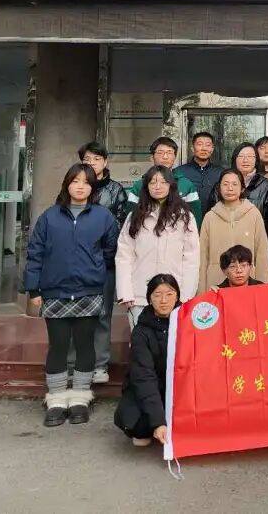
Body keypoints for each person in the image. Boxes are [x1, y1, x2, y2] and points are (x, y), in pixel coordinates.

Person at [24, 163, 119, 427]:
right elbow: (35, 253)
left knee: (85, 345)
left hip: (89, 291)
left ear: (92, 188)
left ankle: (80, 398)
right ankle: (56, 399)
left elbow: (111, 251)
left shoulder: (103, 217)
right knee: (58, 346)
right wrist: (33, 289)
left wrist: (94, 270)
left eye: (86, 182)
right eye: (75, 181)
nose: (80, 186)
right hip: (55, 292)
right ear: (67, 184)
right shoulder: (49, 217)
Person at [116, 166, 199, 328]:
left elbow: (191, 259)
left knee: (173, 341)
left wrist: (186, 295)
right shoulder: (135, 216)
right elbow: (124, 256)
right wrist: (125, 292)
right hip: (140, 295)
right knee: (141, 341)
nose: (158, 186)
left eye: (163, 182)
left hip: (173, 295)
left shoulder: (184, 217)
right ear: (146, 187)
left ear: (171, 186)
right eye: (152, 182)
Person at [78, 141, 127, 385]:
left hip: (104, 261)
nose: (92, 163)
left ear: (105, 162)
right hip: (77, 262)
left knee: (102, 314)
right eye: (87, 159)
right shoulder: (74, 187)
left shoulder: (116, 190)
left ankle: (99, 364)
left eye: (96, 159)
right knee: (76, 314)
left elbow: (120, 226)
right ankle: (78, 363)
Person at [113, 274, 180, 447]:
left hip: (181, 389)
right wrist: (158, 421)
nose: (164, 300)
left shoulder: (188, 322)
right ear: (149, 299)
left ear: (177, 297)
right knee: (137, 421)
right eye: (157, 295)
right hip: (153, 387)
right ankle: (155, 426)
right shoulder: (141, 332)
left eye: (169, 294)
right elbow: (144, 377)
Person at [197, 168, 268, 292]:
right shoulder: (210, 217)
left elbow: (262, 253)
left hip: (248, 284)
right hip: (215, 285)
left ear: (242, 188)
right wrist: (201, 292)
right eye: (225, 184)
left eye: (234, 184)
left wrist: (265, 288)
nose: (230, 188)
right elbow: (202, 256)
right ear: (219, 188)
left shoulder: (253, 214)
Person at [129, 137, 201, 222]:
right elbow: (130, 219)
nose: (165, 157)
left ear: (175, 157)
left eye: (169, 153)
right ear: (152, 157)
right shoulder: (139, 186)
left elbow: (195, 219)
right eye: (160, 153)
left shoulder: (186, 185)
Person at [213, 142, 268, 220]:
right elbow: (213, 214)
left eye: (250, 156)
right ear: (235, 159)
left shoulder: (267, 187)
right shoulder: (221, 185)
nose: (245, 160)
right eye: (241, 156)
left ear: (256, 160)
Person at [175, 131, 222, 221]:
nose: (204, 148)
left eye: (208, 145)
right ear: (192, 148)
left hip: (215, 221)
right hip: (186, 221)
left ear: (212, 149)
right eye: (199, 144)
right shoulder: (179, 172)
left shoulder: (220, 173)